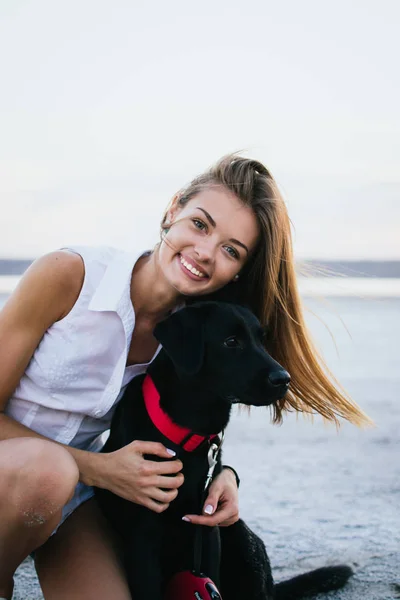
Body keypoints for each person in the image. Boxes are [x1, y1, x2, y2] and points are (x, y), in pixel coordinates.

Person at [0, 154, 372, 600]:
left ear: (239, 269)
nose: (205, 252)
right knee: (50, 471)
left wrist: (224, 474)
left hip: (73, 498)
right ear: (172, 210)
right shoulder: (70, 275)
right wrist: (97, 468)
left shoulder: (194, 332)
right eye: (200, 224)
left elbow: (194, 418)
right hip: (39, 473)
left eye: (231, 250)